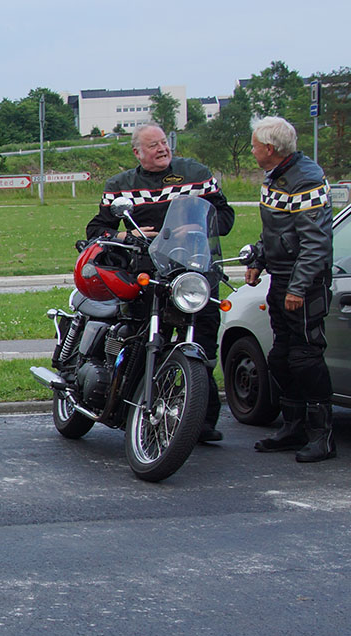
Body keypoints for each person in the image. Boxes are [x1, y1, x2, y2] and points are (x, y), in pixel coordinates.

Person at [86, 123, 235, 443]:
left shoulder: (196, 174)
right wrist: (125, 234)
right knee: (142, 340)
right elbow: (97, 229)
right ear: (137, 152)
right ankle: (136, 411)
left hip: (195, 272)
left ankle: (202, 420)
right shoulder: (120, 186)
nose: (162, 149)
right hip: (147, 273)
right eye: (153, 145)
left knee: (203, 346)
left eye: (164, 142)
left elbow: (226, 217)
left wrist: (196, 227)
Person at [245, 116, 336, 462]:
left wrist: (298, 288)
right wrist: (258, 259)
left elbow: (315, 244)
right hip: (281, 278)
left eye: (254, 146)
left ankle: (322, 436)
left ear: (270, 148)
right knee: (281, 358)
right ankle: (293, 427)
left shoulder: (306, 180)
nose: (252, 151)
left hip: (305, 284)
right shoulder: (275, 176)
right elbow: (275, 231)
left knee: (305, 357)